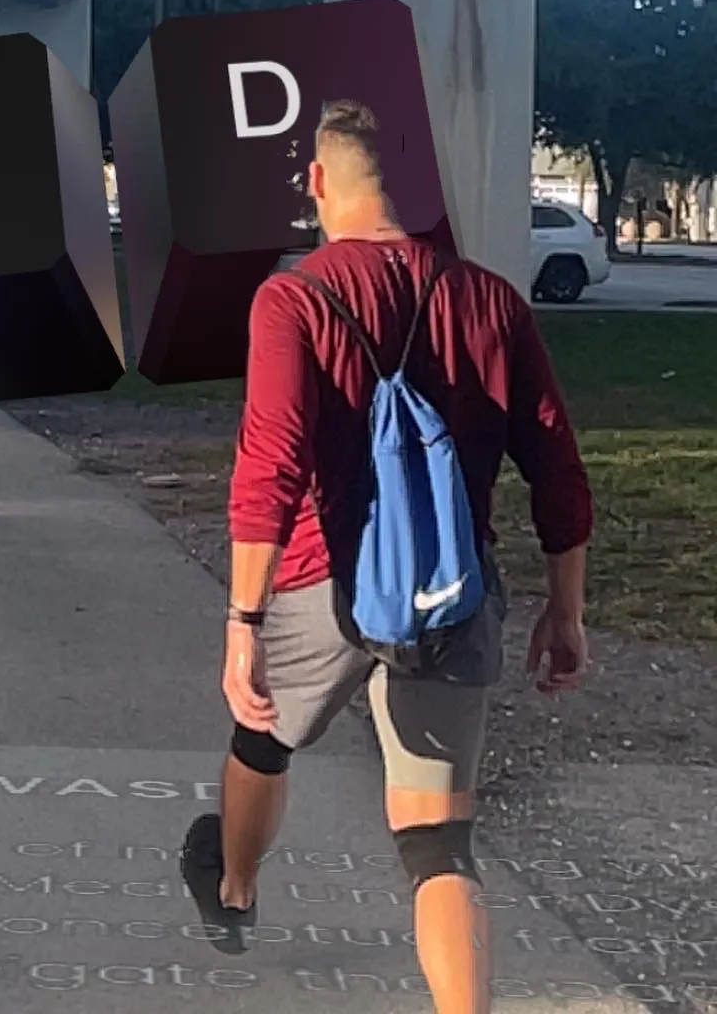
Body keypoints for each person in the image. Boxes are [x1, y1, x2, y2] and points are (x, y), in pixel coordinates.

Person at [180, 99, 593, 1014]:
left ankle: (236, 890)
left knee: (263, 734)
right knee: (440, 841)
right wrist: (565, 608)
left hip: (326, 584)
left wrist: (243, 619)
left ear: (321, 181)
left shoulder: (295, 297)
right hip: (451, 586)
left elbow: (273, 459)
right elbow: (557, 465)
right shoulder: (492, 300)